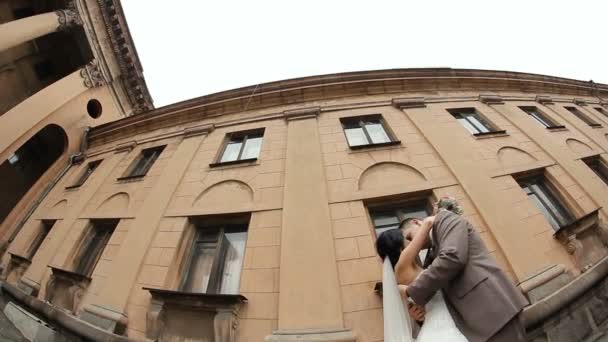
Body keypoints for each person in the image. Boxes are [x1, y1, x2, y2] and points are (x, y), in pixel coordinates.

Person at [401, 209, 528, 342]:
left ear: (417, 222)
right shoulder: (429, 254)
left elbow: (452, 257)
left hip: (492, 307)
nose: (412, 244)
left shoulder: (445, 219)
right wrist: (420, 314)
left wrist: (411, 292)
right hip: (473, 321)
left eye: (410, 237)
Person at [377, 217, 468, 341]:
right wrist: (444, 214)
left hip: (445, 319)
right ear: (399, 248)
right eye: (408, 238)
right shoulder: (401, 267)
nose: (412, 241)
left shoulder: (415, 265)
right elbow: (428, 224)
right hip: (441, 327)